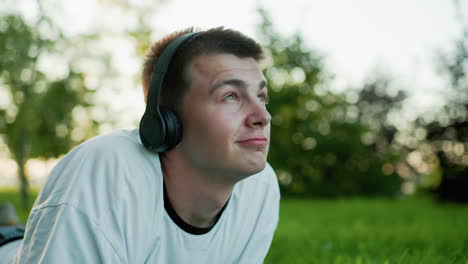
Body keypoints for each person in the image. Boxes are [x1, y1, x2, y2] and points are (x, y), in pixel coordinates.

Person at [1, 27, 280, 263]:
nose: (263, 116)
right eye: (230, 96)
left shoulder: (261, 188)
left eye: (261, 96)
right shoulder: (107, 172)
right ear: (165, 121)